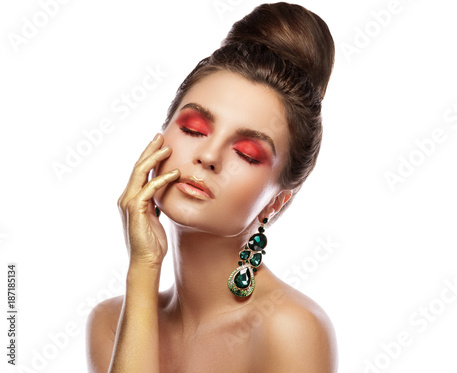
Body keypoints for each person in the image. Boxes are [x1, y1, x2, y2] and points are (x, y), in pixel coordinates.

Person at [86, 2, 337, 372]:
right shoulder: (110, 323)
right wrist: (143, 267)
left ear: (277, 202)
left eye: (247, 153)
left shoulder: (290, 329)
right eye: (193, 129)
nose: (208, 156)